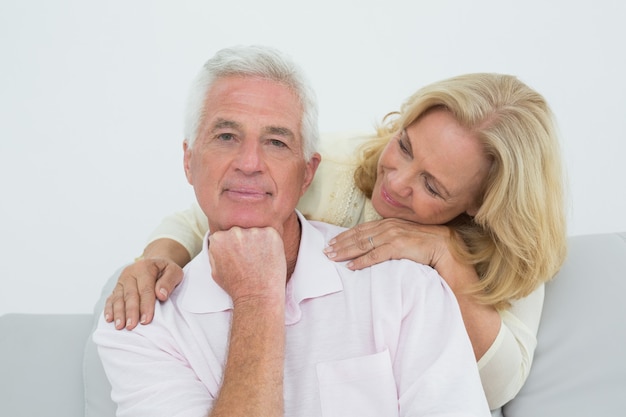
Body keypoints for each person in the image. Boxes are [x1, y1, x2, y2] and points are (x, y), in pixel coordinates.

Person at [104, 68, 567, 408]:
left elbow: (499, 382)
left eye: (432, 186)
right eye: (404, 146)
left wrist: (447, 257)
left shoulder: (474, 263)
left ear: (479, 206)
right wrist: (156, 257)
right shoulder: (336, 165)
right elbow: (220, 203)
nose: (397, 181)